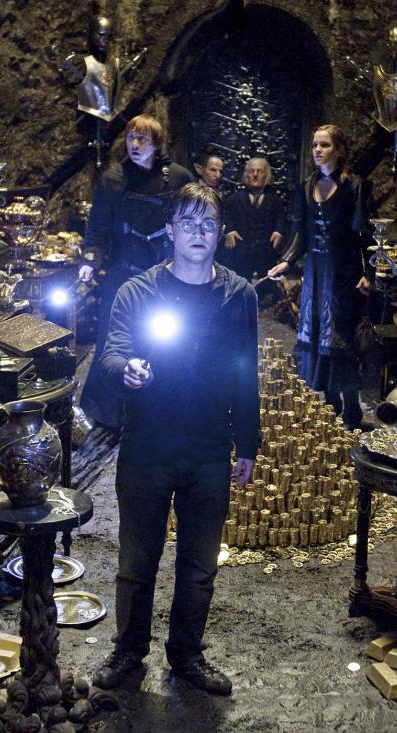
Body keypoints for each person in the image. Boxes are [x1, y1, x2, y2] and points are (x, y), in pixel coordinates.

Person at [93, 183, 259, 696]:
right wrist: (127, 369)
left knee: (200, 565)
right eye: (187, 222)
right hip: (148, 445)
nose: (197, 233)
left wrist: (248, 443)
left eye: (207, 223)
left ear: (221, 232)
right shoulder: (138, 292)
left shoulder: (239, 295)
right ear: (170, 231)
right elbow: (111, 351)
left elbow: (246, 372)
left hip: (209, 447)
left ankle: (187, 654)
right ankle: (128, 651)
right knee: (136, 562)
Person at [77, 114, 193, 429]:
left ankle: (167, 412)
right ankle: (109, 416)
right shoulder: (113, 179)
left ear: (157, 144)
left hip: (166, 278)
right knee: (115, 341)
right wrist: (90, 260)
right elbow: (99, 228)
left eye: (143, 139)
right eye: (131, 138)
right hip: (123, 276)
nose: (135, 144)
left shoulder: (180, 179)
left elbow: (191, 224)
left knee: (169, 341)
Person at [267, 124, 373, 430]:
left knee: (341, 341)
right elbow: (301, 234)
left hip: (344, 274)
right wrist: (286, 261)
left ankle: (351, 410)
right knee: (317, 339)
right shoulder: (306, 186)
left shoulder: (356, 187)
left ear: (338, 150)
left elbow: (367, 235)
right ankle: (331, 405)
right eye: (314, 144)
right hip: (315, 275)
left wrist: (369, 273)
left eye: (324, 145)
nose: (317, 150)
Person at [220, 157, 286, 291]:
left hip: (266, 254)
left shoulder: (276, 201)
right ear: (246, 176)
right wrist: (230, 231)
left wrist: (278, 231)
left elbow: (281, 218)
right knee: (240, 287)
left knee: (267, 289)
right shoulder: (233, 200)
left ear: (266, 176)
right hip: (241, 254)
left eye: (259, 171)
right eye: (251, 171)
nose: (255, 175)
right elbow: (225, 216)